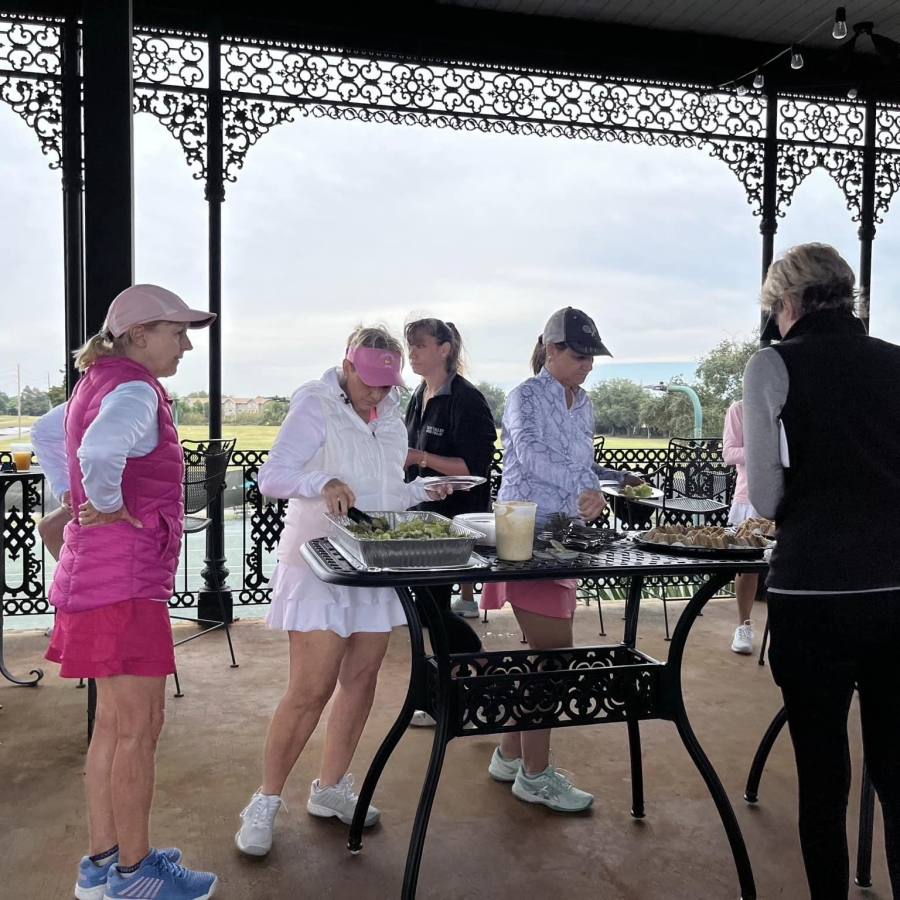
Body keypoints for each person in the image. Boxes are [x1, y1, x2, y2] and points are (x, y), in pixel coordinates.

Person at [235, 325, 448, 856]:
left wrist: (421, 491)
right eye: (369, 381)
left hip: (374, 564)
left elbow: (384, 491)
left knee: (361, 679)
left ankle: (330, 788)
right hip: (320, 565)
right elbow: (273, 477)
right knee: (310, 689)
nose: (377, 393)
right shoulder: (315, 403)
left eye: (386, 384)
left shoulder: (392, 414)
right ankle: (265, 800)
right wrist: (320, 481)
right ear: (347, 366)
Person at [38, 284, 219, 900]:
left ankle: (102, 865)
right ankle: (135, 872)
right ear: (139, 334)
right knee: (140, 728)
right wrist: (107, 503)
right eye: (177, 332)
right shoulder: (137, 390)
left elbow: (51, 435)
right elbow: (99, 448)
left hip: (94, 577)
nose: (186, 345)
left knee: (114, 728)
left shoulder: (96, 382)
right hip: (125, 583)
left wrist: (75, 498)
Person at [744, 242, 900, 899]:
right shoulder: (895, 360)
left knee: (823, 777)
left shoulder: (773, 364)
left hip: (814, 590)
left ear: (788, 302)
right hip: (895, 589)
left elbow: (765, 498)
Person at [480, 307, 643, 813]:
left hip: (565, 539)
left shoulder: (584, 402)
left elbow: (580, 463)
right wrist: (586, 485)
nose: (588, 364)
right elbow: (528, 454)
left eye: (593, 356)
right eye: (580, 355)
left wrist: (614, 479)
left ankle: (510, 755)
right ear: (552, 350)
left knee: (543, 653)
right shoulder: (524, 397)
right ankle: (534, 775)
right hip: (526, 537)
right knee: (552, 657)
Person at [404, 317, 497, 727]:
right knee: (427, 609)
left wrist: (420, 458)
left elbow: (475, 467)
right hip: (423, 520)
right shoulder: (417, 395)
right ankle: (463, 688)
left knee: (431, 608)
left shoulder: (467, 400)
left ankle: (456, 691)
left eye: (419, 345)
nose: (411, 354)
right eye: (409, 346)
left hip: (455, 523)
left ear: (443, 349)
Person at [722, 399, 760, 654]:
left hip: (794, 497)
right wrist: (764, 451)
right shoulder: (740, 408)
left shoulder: (794, 404)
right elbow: (729, 453)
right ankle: (743, 626)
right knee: (748, 567)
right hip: (750, 498)